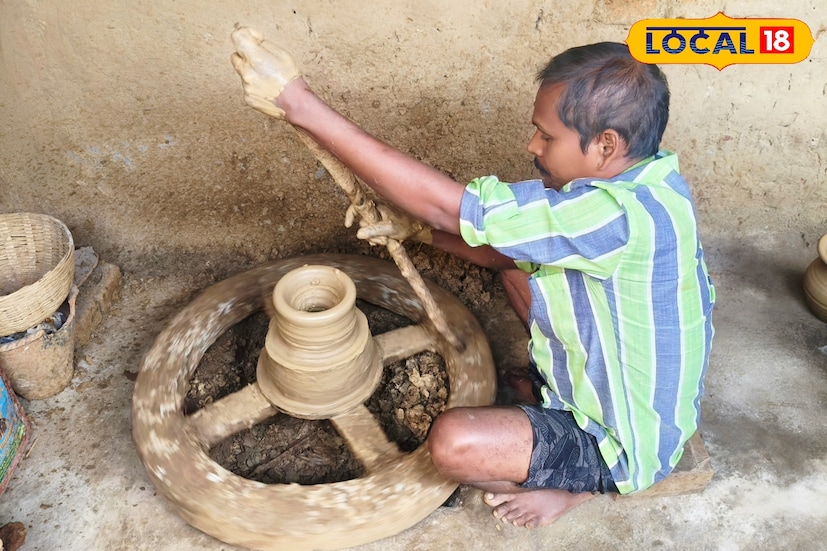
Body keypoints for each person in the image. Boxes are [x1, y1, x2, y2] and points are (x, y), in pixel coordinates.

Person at [230, 27, 716, 529]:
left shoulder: (614, 217)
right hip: (630, 390)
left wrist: (297, 102)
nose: (532, 144)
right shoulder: (649, 181)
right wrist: (417, 230)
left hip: (622, 441)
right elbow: (498, 248)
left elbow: (449, 207)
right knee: (515, 269)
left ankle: (577, 487)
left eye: (547, 136)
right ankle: (554, 406)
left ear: (605, 145)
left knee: (453, 444)